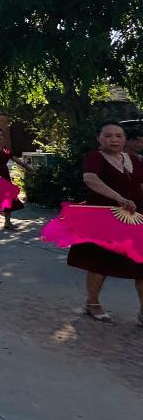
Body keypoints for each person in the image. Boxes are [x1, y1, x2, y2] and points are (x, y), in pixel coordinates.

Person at [68, 121, 143, 324]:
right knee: (100, 264)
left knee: (141, 265)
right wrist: (119, 198)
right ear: (99, 138)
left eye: (119, 136)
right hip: (104, 219)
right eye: (108, 135)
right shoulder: (94, 157)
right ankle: (92, 303)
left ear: (125, 139)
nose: (114, 140)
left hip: (134, 218)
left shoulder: (134, 160)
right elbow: (90, 179)